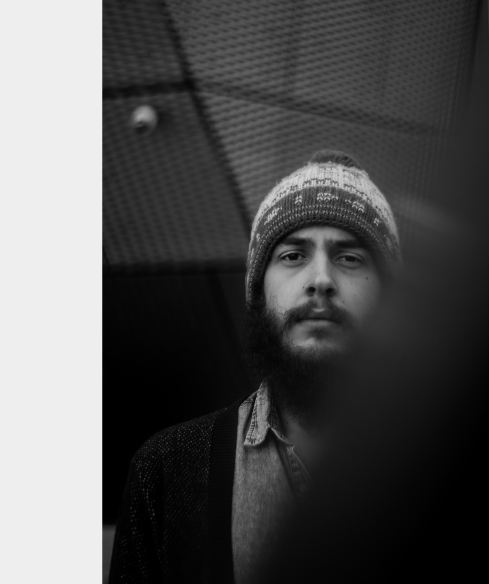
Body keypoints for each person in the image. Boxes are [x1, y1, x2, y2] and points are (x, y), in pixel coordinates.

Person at [108, 150, 401, 584]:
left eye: (349, 258)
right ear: (259, 292)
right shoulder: (166, 471)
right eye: (293, 256)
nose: (321, 279)